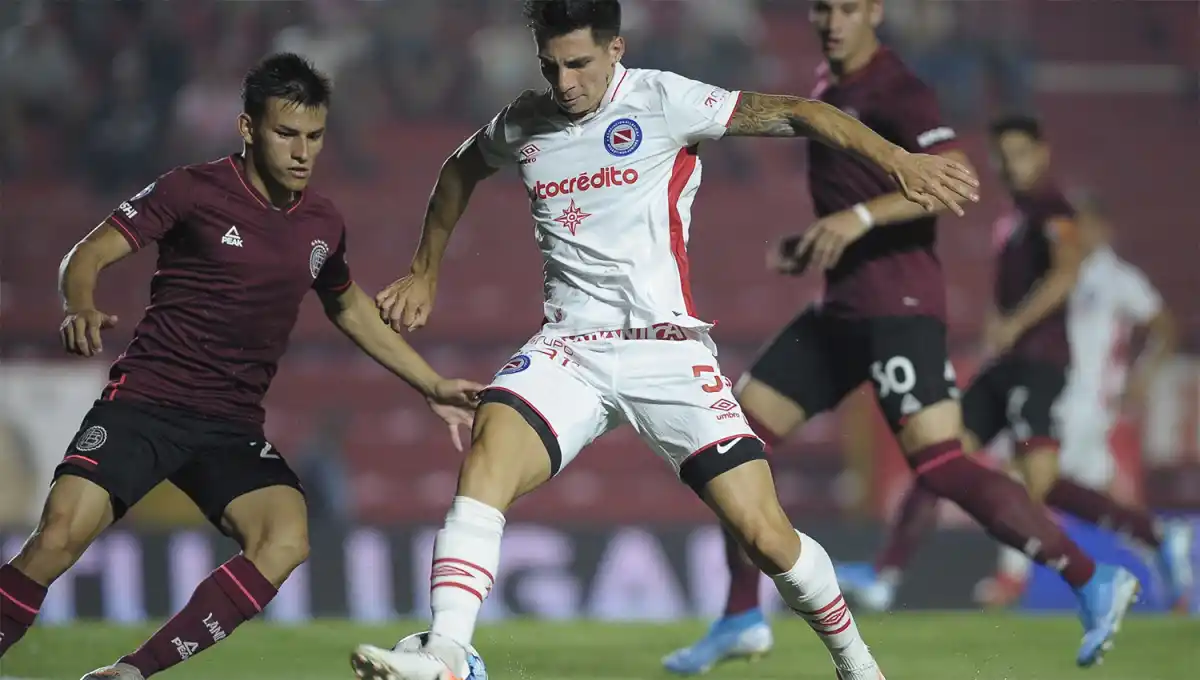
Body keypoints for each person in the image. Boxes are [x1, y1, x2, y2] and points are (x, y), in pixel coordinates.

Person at [350, 2, 979, 679]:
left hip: (667, 350)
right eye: (551, 67)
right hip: (570, 348)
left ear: (615, 49)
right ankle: (447, 654)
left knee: (766, 535)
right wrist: (424, 270)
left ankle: (856, 665)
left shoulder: (663, 100)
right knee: (488, 453)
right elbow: (459, 169)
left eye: (579, 64)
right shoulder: (524, 121)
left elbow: (801, 111)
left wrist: (896, 160)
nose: (564, 84)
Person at [664, 3, 1139, 673]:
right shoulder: (829, 86)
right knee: (734, 439)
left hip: (898, 305)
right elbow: (851, 199)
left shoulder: (898, 88)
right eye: (822, 7)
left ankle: (1091, 578)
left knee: (941, 464)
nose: (832, 20)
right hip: (842, 308)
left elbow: (953, 179)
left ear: (875, 11)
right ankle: (742, 615)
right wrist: (817, 240)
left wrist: (857, 220)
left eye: (848, 7)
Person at [0, 53, 482, 680]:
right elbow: (86, 255)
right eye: (287, 133)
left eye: (315, 136)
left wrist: (431, 383)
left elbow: (348, 307)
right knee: (57, 538)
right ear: (248, 127)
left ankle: (130, 673)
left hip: (228, 427)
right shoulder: (191, 190)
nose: (302, 152)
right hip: (146, 404)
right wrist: (80, 304)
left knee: (285, 539)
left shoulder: (321, 223)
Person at [835, 115, 1142, 668]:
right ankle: (886, 573)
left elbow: (1066, 273)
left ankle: (1117, 563)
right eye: (1001, 155)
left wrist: (1014, 323)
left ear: (1041, 153)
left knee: (1036, 483)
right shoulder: (1017, 214)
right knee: (939, 457)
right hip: (1008, 367)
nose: (1008, 165)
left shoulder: (1052, 210)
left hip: (1037, 368)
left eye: (1019, 153)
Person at [975, 192, 1192, 611]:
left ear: (1104, 228)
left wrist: (1143, 375)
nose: (1078, 232)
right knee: (1095, 499)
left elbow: (1164, 327)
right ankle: (1166, 552)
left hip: (1086, 405)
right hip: (1050, 395)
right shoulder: (1053, 271)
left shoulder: (1117, 278)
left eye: (1086, 224)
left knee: (1024, 477)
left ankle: (1011, 579)